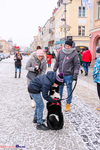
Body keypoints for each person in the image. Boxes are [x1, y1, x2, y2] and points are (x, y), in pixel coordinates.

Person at [53, 39, 80, 112]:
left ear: (71, 46)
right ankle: (59, 101)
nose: (67, 47)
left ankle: (68, 103)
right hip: (61, 74)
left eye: (68, 46)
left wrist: (75, 74)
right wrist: (54, 69)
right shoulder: (61, 51)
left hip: (69, 75)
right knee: (59, 89)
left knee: (69, 90)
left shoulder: (74, 53)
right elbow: (57, 61)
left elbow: (77, 65)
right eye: (66, 45)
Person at [93, 47, 100, 111]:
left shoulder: (98, 59)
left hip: (99, 79)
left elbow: (96, 69)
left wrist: (94, 76)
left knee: (99, 93)